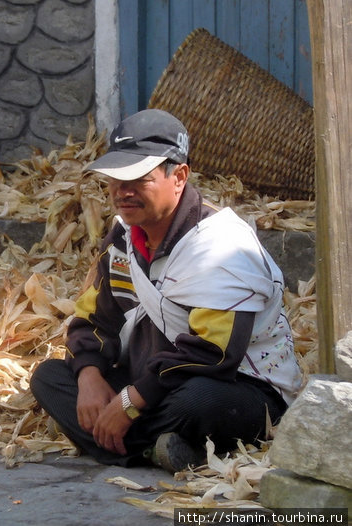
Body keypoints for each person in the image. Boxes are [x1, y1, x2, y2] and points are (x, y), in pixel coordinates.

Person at [30, 109, 302, 472]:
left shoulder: (223, 246)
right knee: (50, 378)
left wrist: (129, 401)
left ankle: (117, 442)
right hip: (153, 382)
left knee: (198, 402)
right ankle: (153, 448)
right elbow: (95, 318)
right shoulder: (123, 241)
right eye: (115, 178)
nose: (122, 192)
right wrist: (90, 377)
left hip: (238, 385)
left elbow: (214, 352)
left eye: (139, 178)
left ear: (179, 176)